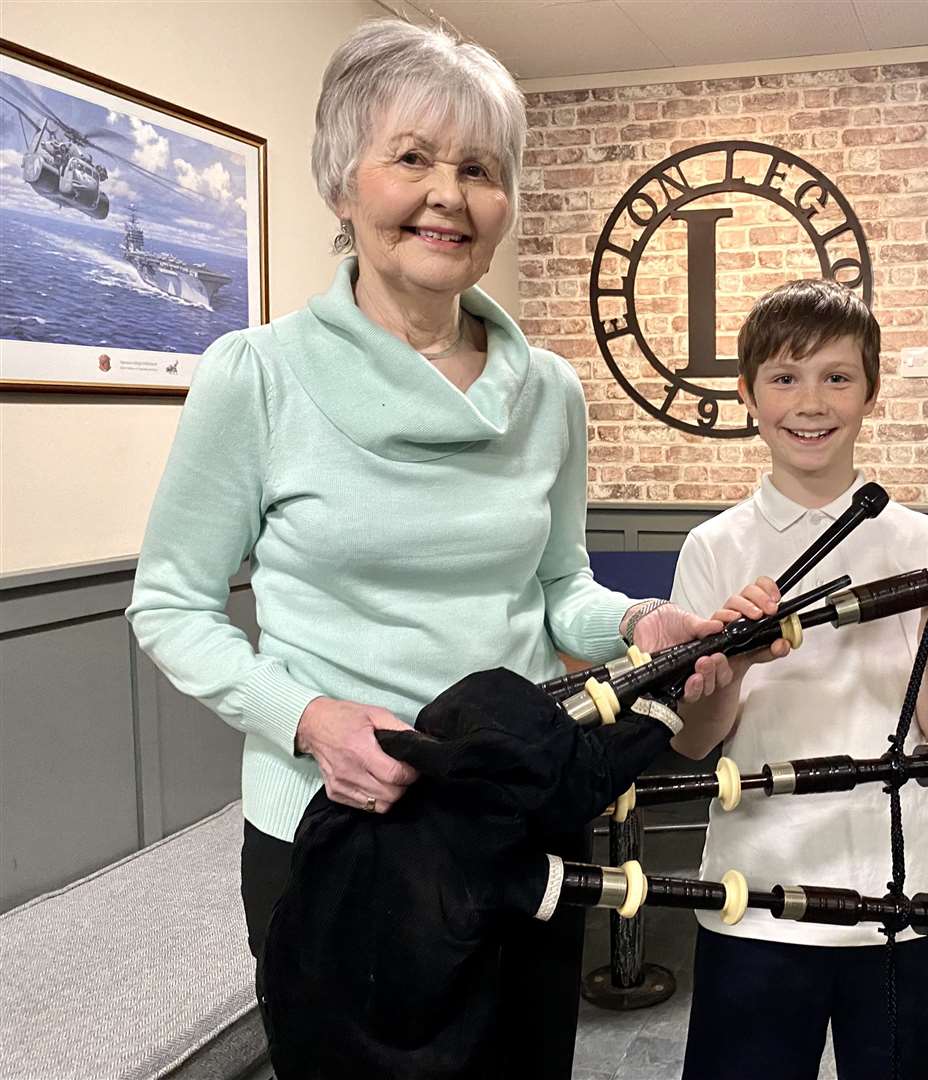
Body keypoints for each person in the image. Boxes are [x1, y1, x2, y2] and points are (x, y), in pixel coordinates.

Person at [126, 18, 734, 1078]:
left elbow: (557, 589)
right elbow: (169, 603)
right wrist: (309, 721)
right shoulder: (256, 376)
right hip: (336, 832)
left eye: (479, 167)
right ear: (341, 182)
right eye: (411, 157)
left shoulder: (547, 391)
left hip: (513, 816)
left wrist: (641, 623)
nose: (447, 194)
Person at [670, 279, 928, 1080]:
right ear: (748, 393)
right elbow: (691, 741)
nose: (809, 402)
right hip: (754, 889)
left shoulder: (921, 542)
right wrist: (735, 665)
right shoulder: (714, 548)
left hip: (895, 888)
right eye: (783, 378)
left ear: (870, 391)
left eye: (836, 377)